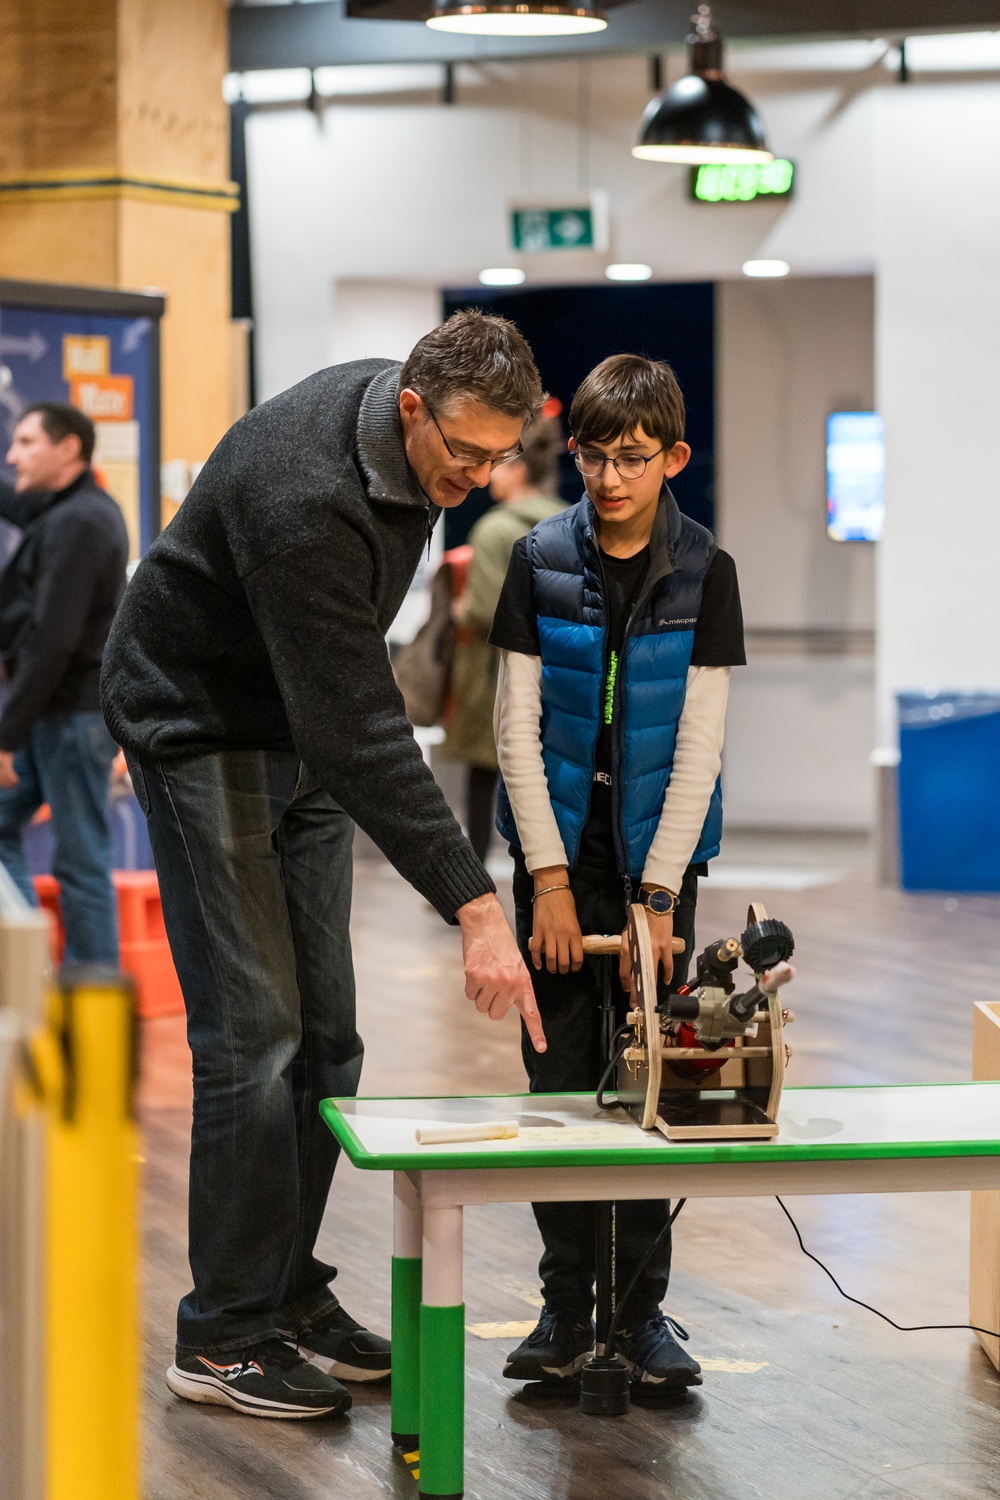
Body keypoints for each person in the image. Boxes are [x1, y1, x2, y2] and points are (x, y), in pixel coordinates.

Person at [101, 310, 547, 1422]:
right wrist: (474, 904)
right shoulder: (308, 496)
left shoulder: (411, 443)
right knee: (254, 1041)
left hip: (292, 727)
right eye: (464, 452)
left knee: (330, 1042)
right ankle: (223, 1334)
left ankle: (286, 1296)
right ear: (410, 406)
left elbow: (334, 711)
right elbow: (357, 724)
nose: (481, 476)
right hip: (199, 729)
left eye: (501, 455)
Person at [489, 353, 746, 1394]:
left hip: (658, 873)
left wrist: (656, 899)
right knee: (557, 1085)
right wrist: (546, 881)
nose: (607, 477)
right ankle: (562, 1310)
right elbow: (514, 731)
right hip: (558, 866)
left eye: (631, 458)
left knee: (649, 1086)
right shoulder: (538, 556)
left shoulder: (705, 569)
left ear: (671, 456)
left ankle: (640, 1314)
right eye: (592, 456)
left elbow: (701, 742)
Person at [0, 404, 128, 963]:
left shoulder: (79, 522)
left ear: (69, 449)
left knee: (81, 864)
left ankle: (93, 1006)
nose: (13, 455)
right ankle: (30, 969)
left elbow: (52, 641)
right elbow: (17, 501)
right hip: (56, 715)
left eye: (27, 443)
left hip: (72, 719)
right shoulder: (68, 512)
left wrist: (7, 736)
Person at [439, 407, 565, 861]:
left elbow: (488, 610)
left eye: (495, 461)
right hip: (560, 668)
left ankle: (470, 881)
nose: (485, 472)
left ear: (517, 468)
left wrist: (460, 607)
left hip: (495, 673)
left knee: (482, 777)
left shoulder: (494, 530)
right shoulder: (570, 522)